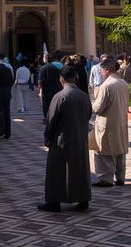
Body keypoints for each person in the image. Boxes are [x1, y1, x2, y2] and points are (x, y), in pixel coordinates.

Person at [38, 65, 92, 212]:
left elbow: (51, 120)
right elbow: (88, 115)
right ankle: (83, 199)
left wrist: (47, 137)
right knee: (80, 168)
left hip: (62, 139)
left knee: (57, 170)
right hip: (80, 138)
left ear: (61, 79)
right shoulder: (84, 96)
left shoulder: (60, 96)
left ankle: (54, 201)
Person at [91, 57, 130, 187]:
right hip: (121, 121)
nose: (101, 73)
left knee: (104, 150)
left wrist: (92, 102)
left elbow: (98, 108)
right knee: (120, 150)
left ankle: (105, 179)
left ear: (107, 70)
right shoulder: (124, 84)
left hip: (107, 123)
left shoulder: (106, 86)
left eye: (102, 70)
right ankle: (120, 177)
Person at [38, 52, 63, 117]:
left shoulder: (43, 68)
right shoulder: (56, 68)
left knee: (46, 105)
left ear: (46, 59)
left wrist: (40, 90)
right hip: (56, 89)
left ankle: (47, 117)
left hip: (46, 90)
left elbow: (40, 81)